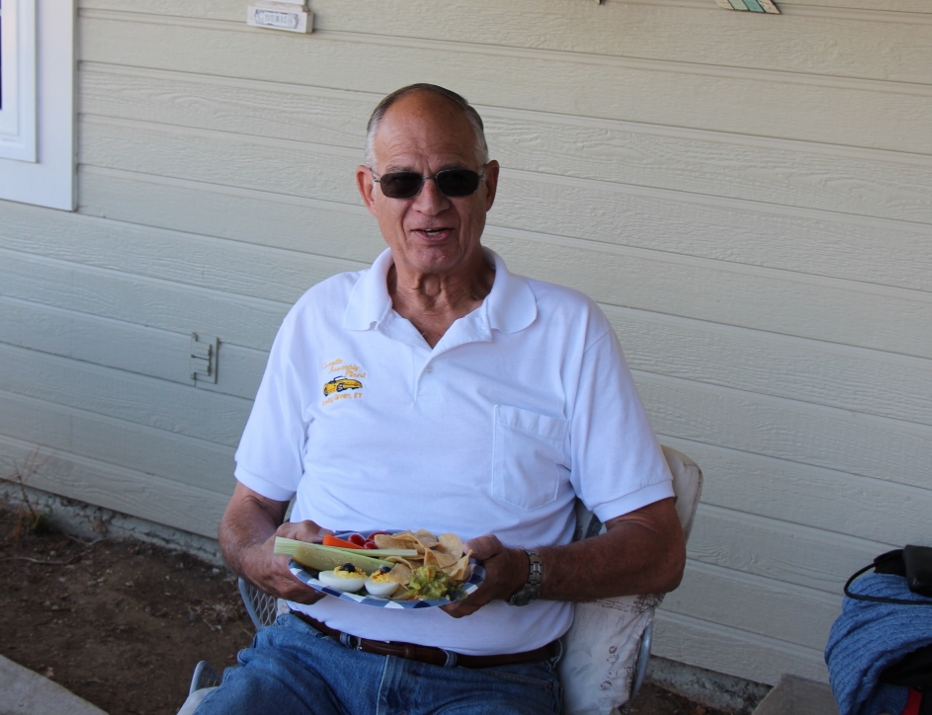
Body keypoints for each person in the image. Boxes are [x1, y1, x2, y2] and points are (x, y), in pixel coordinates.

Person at [207, 84, 686, 715]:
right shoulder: (320, 317)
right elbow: (247, 509)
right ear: (367, 190)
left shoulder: (567, 329)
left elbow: (657, 549)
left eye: (453, 179)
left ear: (488, 186)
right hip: (309, 660)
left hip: (485, 683)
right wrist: (257, 557)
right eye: (402, 182)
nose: (429, 204)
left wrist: (527, 574)